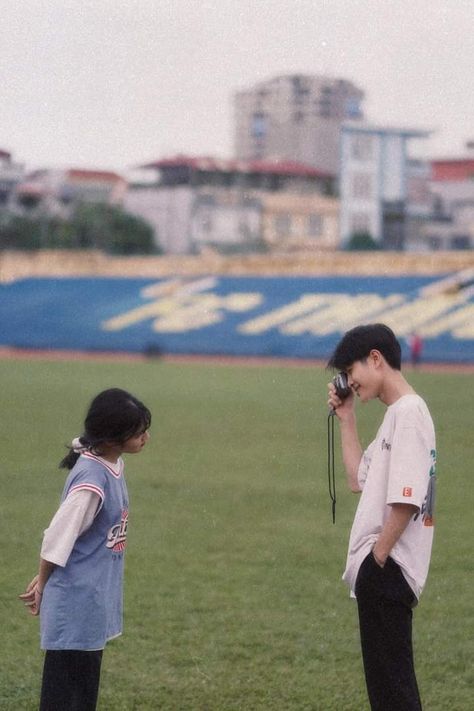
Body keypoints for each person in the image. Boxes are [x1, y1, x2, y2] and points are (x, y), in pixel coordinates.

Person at [19, 388, 151, 711]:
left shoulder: (109, 463)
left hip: (90, 601)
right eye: (138, 431)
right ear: (111, 436)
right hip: (75, 604)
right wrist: (43, 581)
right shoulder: (91, 481)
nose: (146, 436)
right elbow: (55, 539)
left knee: (83, 692)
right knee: (64, 696)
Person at [327, 324, 436, 711]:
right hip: (384, 570)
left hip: (388, 569)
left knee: (393, 693)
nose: (349, 381)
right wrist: (347, 418)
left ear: (376, 358)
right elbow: (360, 478)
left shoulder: (409, 412)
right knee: (388, 689)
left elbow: (407, 498)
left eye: (350, 370)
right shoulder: (397, 415)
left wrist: (377, 558)